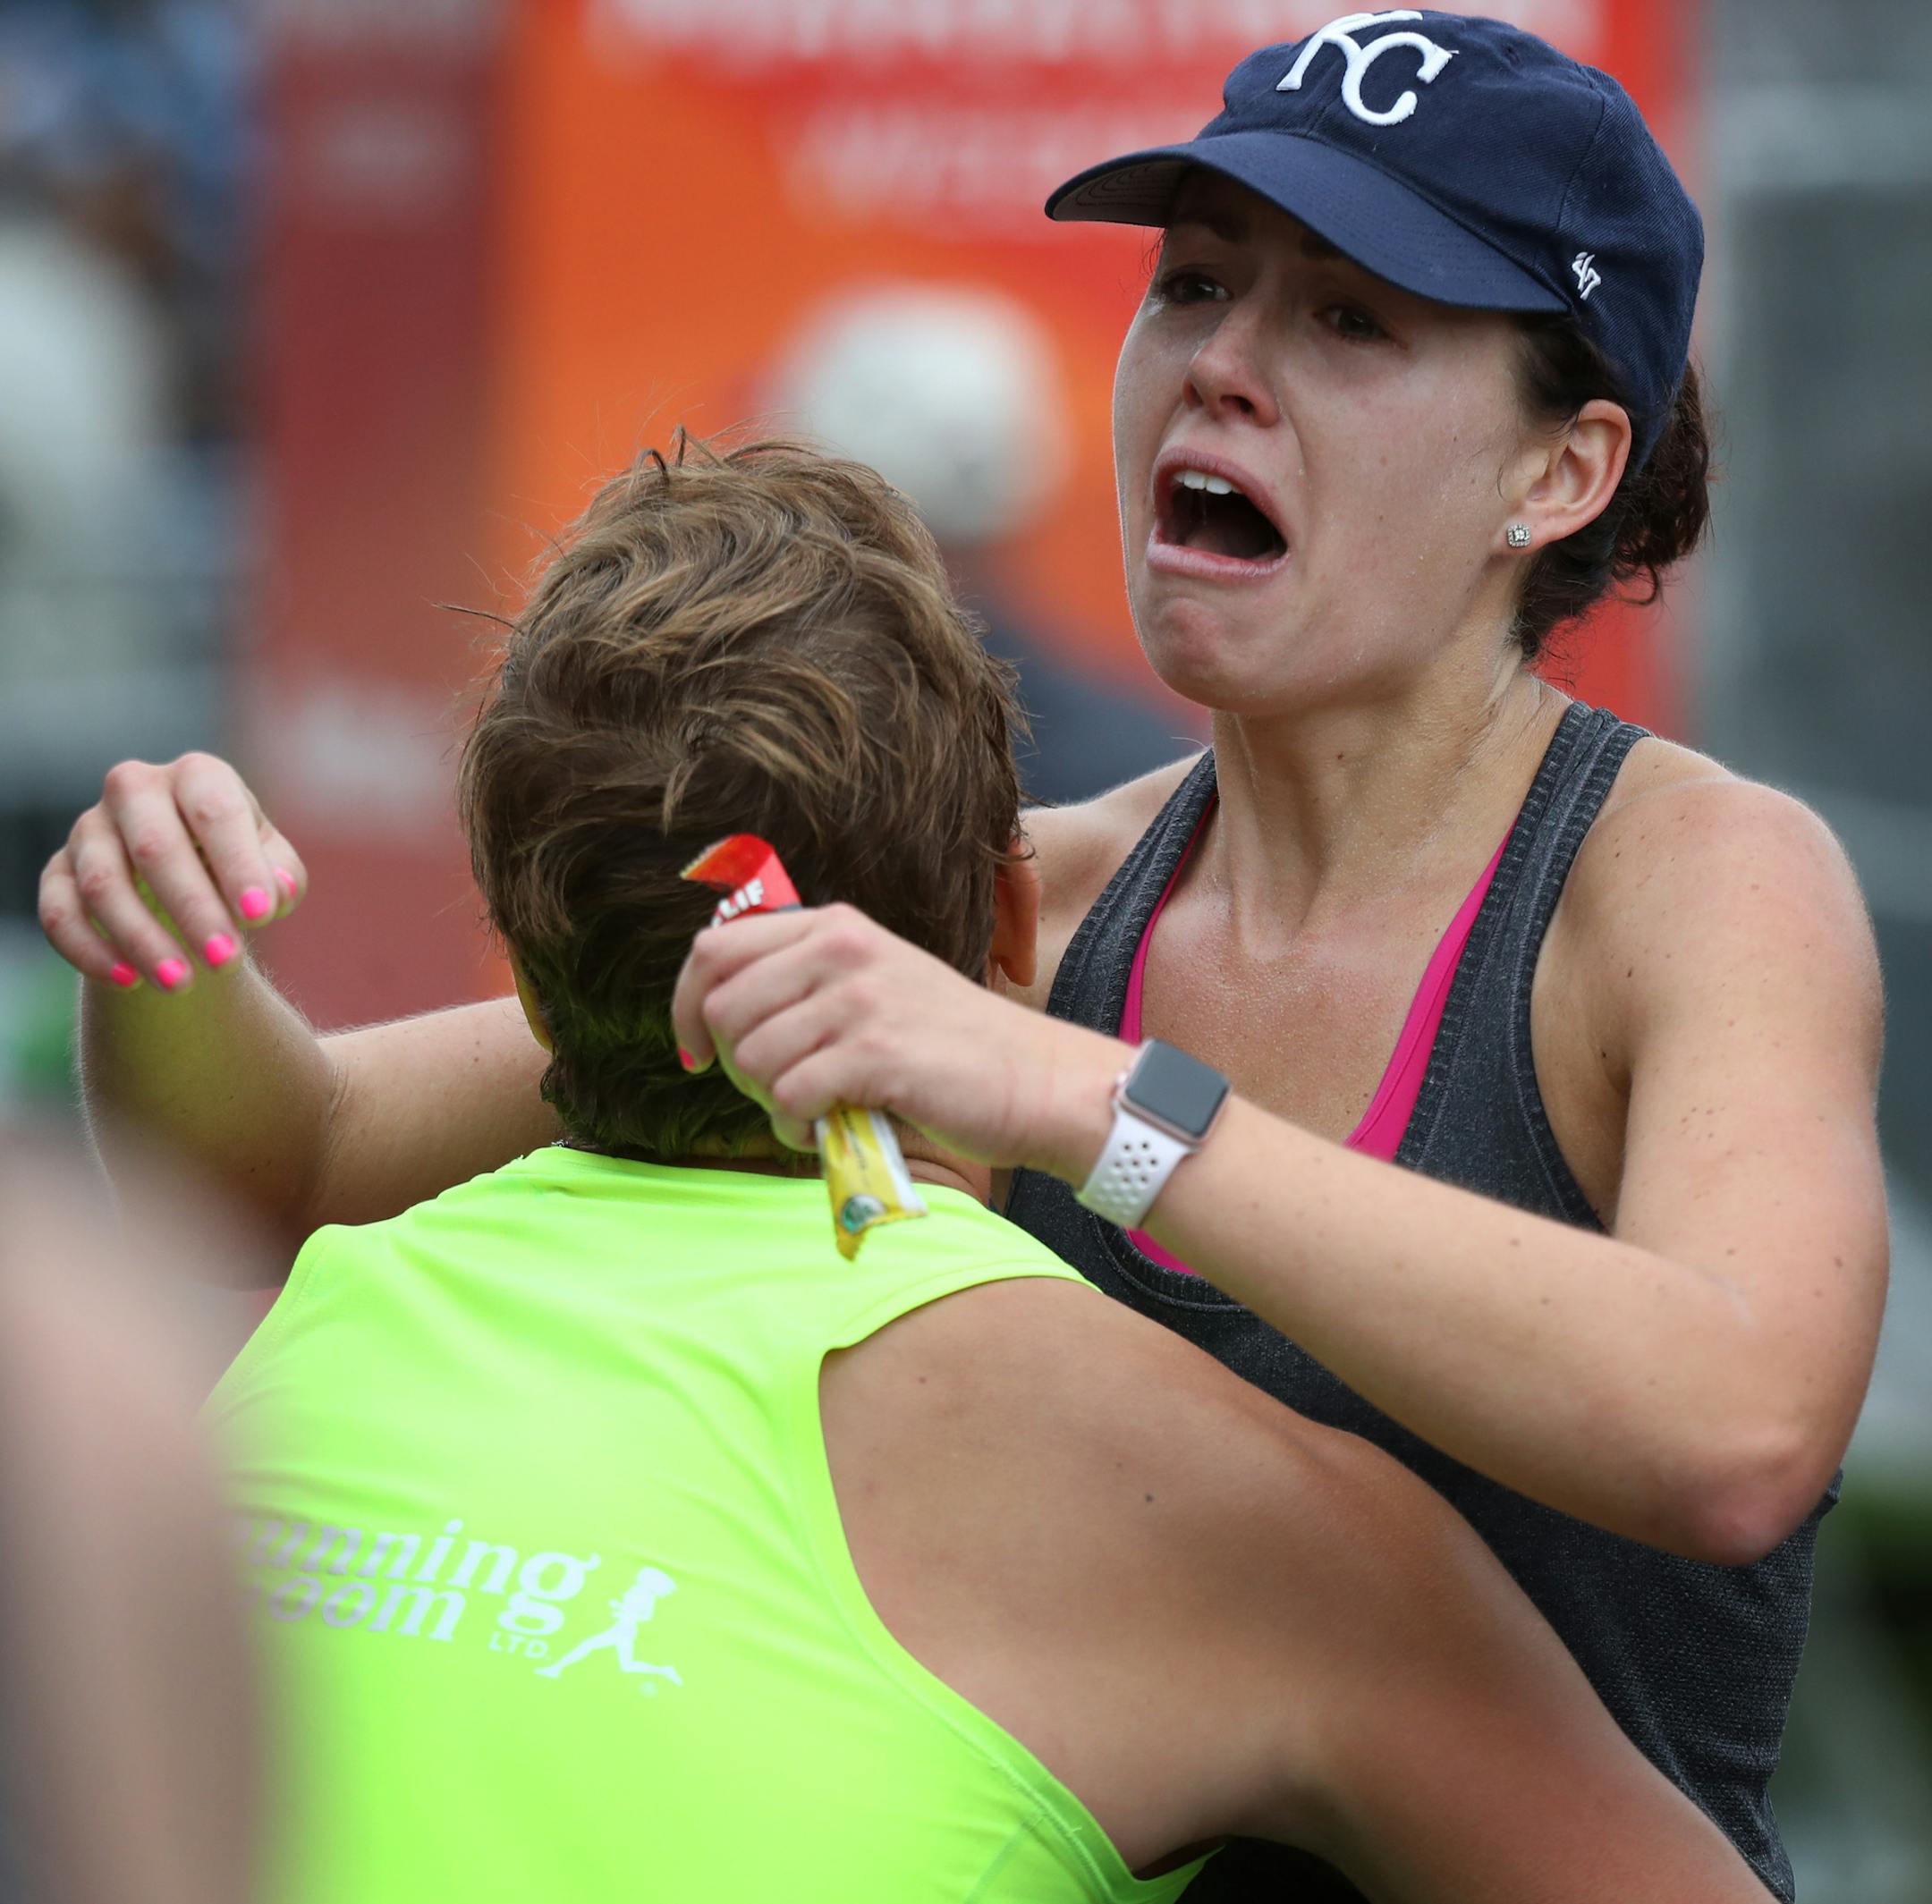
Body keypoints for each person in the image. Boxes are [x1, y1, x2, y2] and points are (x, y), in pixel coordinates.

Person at [39, 14, 1887, 1901]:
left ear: (1565, 472)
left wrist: (1096, 1106)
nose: (1223, 369)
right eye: (1193, 286)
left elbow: (1733, 1428)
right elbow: (300, 1157)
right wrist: (167, 956)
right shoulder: (1035, 911)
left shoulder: (1688, 880)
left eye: (1352, 322)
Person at [202, 436, 1762, 1901]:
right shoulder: (1247, 1511)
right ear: (1015, 930)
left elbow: (286, 1136)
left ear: (529, 978)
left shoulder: (268, 1357)